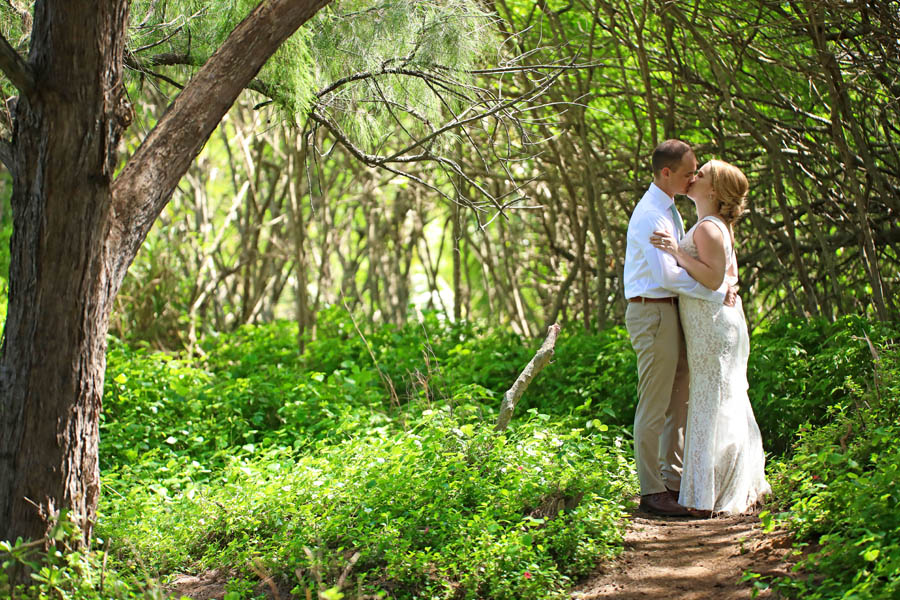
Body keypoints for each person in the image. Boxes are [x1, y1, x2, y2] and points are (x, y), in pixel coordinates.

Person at [650, 159, 771, 515]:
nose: (693, 176)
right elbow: (729, 276)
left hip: (713, 328)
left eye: (700, 174)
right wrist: (728, 284)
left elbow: (714, 278)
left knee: (712, 401)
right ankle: (715, 486)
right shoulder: (711, 226)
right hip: (711, 324)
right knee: (713, 400)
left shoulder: (708, 228)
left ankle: (714, 492)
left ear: (714, 190)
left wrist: (674, 252)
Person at [624, 140, 736, 517]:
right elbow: (667, 276)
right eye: (689, 172)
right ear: (667, 173)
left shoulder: (670, 208)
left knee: (677, 401)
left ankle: (673, 481)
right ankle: (651, 492)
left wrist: (715, 285)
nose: (693, 178)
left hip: (671, 313)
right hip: (652, 312)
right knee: (655, 403)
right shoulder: (651, 215)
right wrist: (715, 290)